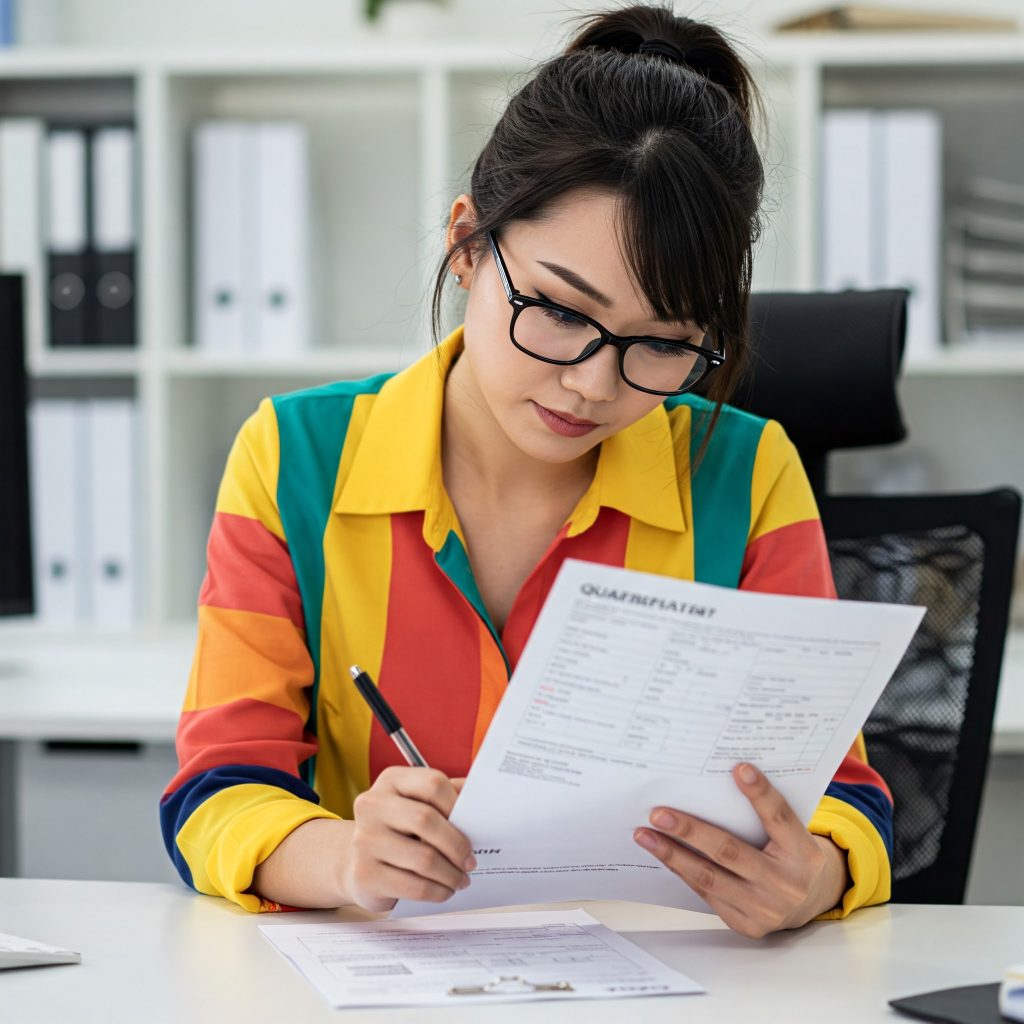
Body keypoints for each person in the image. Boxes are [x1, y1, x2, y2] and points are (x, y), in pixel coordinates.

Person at [160, 3, 894, 938]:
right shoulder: (294, 458)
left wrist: (816, 874)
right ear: (467, 244)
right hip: (381, 981)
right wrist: (345, 856)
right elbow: (217, 789)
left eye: (662, 344)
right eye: (557, 310)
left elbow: (844, 793)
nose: (592, 384)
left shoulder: (748, 474)